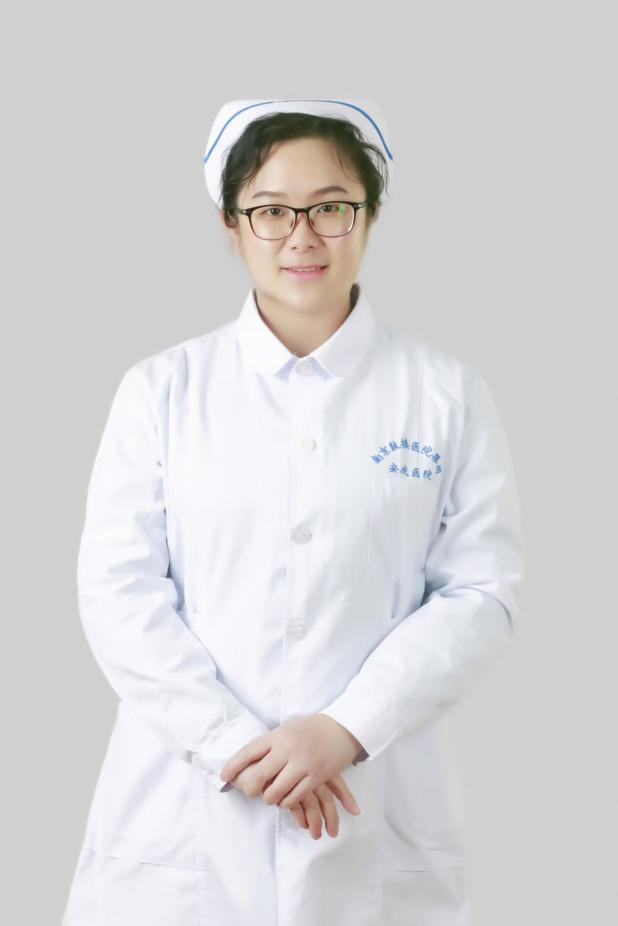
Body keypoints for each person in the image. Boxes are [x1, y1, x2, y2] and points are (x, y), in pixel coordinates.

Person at [61, 98, 525, 926]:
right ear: (231, 226)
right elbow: (117, 593)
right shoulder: (161, 391)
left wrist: (345, 729)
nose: (302, 236)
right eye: (272, 211)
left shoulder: (446, 395)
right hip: (186, 807)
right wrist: (232, 745)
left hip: (373, 795)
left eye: (330, 207)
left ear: (369, 216)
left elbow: (482, 594)